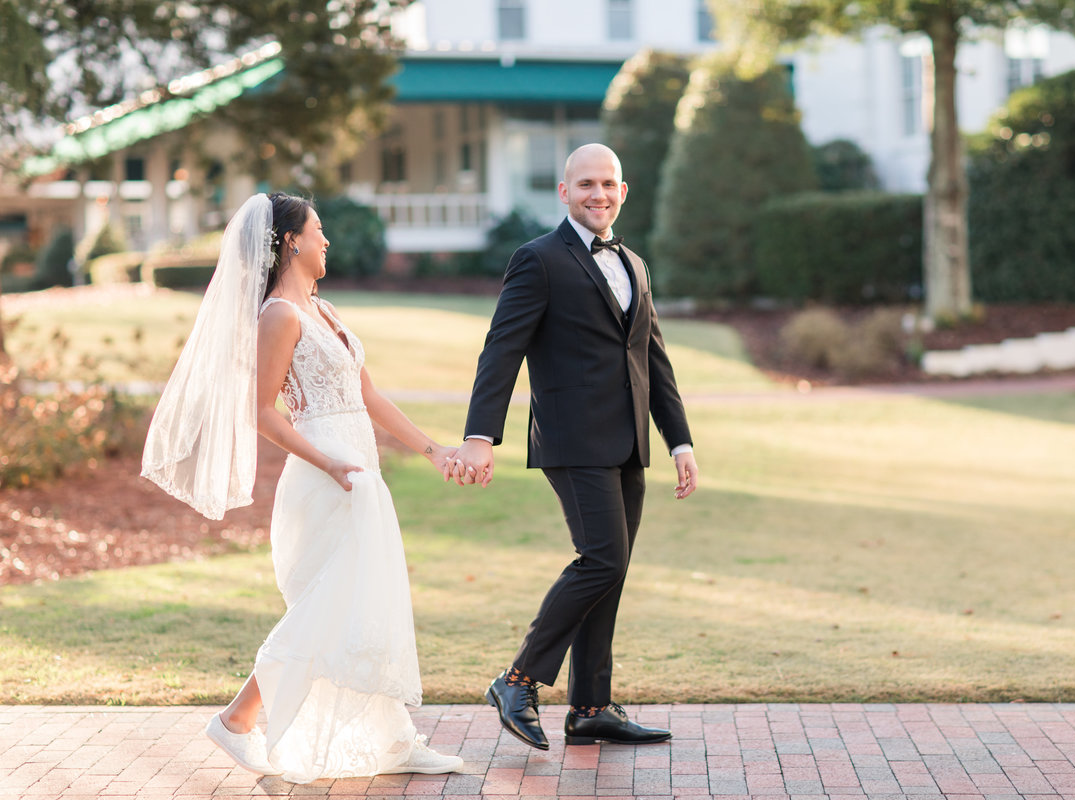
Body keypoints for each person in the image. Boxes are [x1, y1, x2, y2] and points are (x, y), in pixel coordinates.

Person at [141, 192, 463, 782]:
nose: (326, 242)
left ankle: (392, 740)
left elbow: (367, 396)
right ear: (291, 241)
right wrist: (332, 465)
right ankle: (237, 721)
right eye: (318, 231)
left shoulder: (326, 310)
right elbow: (262, 413)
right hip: (325, 477)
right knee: (328, 604)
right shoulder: (278, 316)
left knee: (364, 598)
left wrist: (433, 449)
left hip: (359, 469)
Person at [447, 143, 699, 749]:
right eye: (585, 184)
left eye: (608, 184)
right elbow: (501, 350)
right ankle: (518, 680)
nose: (598, 194)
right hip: (570, 438)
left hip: (629, 441)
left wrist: (679, 441)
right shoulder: (538, 260)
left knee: (611, 571)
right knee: (602, 559)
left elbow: (652, 360)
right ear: (564, 192)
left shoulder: (634, 263)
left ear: (623, 190)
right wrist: (480, 436)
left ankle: (591, 707)